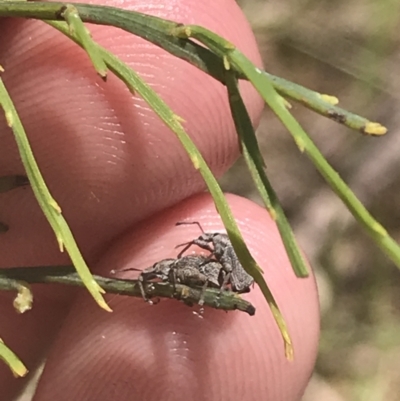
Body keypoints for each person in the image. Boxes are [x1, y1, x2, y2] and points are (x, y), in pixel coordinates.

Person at [0, 0, 319, 399]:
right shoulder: (206, 257)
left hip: (225, 284)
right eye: (213, 243)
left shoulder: (224, 261)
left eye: (213, 244)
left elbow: (229, 272)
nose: (206, 243)